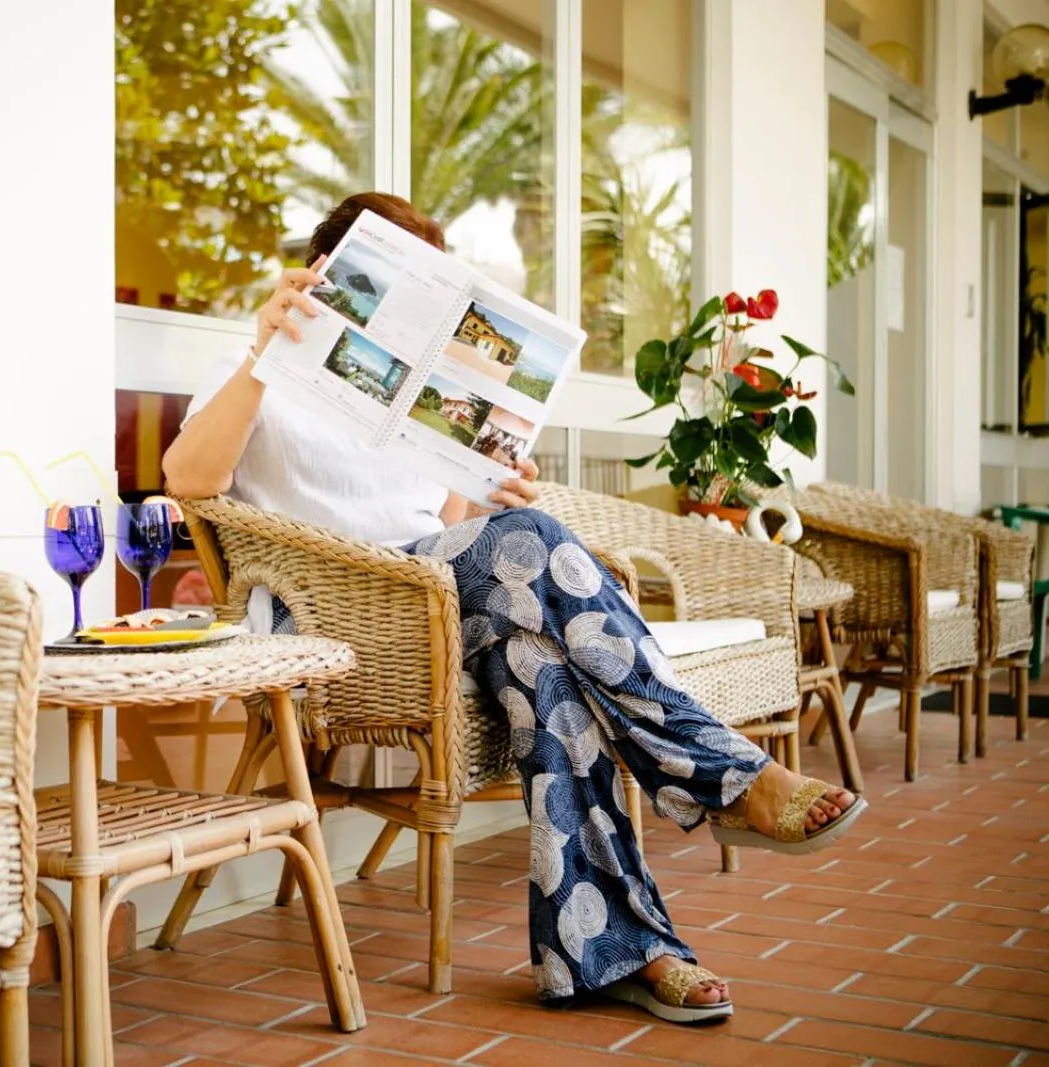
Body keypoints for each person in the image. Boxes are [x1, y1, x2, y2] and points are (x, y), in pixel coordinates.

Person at [161, 191, 866, 1025]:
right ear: (329, 273)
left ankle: (619, 954)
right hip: (337, 619)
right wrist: (264, 355)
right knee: (527, 536)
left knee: (546, 669)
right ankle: (721, 773)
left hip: (437, 600)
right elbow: (189, 480)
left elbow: (442, 532)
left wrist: (485, 485)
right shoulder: (258, 369)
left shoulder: (412, 390)